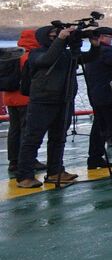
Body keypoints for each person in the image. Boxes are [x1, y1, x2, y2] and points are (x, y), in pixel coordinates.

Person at [14, 23, 82, 189]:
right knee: (32, 139)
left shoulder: (66, 54)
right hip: (42, 101)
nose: (55, 36)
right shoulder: (36, 53)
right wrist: (60, 40)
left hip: (63, 100)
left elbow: (85, 59)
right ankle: (24, 175)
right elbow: (48, 59)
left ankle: (55, 171)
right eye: (53, 34)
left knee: (59, 138)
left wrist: (89, 46)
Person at [79, 26, 112, 169]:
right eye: (111, 37)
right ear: (102, 37)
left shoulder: (93, 54)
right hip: (108, 95)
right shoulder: (107, 52)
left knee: (99, 127)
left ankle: (95, 157)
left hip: (96, 94)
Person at [2, 29, 40, 178]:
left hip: (9, 98)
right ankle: (28, 160)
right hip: (25, 98)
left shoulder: (12, 55)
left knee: (14, 130)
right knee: (27, 131)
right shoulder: (30, 57)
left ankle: (14, 161)